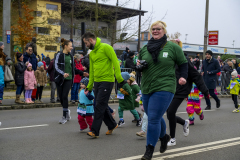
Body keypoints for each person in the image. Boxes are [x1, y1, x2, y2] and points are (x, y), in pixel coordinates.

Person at [138, 21, 188, 160]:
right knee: (154, 115)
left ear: (164, 30)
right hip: (147, 86)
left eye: (158, 29)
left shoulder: (172, 47)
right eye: (153, 29)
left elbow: (183, 64)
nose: (155, 31)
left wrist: (183, 77)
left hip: (165, 86)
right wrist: (139, 66)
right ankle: (164, 136)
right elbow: (139, 63)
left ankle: (149, 150)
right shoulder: (145, 48)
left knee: (153, 118)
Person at [166, 39, 209, 147]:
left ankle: (173, 138)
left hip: (181, 89)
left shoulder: (184, 60)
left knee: (171, 112)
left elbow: (195, 75)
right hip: (169, 89)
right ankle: (184, 123)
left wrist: (205, 90)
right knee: (169, 114)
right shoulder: (167, 59)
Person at [82, 32, 124, 138]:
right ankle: (112, 125)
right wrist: (89, 86)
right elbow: (92, 71)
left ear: (91, 40)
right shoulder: (92, 53)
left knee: (99, 105)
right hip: (97, 81)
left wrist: (119, 79)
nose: (85, 45)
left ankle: (95, 131)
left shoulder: (106, 47)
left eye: (86, 43)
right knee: (101, 104)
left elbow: (116, 62)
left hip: (107, 81)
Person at [54, 38, 87, 124]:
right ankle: (66, 110)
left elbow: (74, 69)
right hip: (60, 79)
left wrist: (82, 73)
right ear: (65, 46)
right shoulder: (59, 55)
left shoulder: (71, 57)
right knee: (61, 97)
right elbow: (56, 67)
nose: (72, 48)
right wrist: (63, 73)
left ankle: (64, 116)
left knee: (65, 96)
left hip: (68, 79)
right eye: (70, 46)